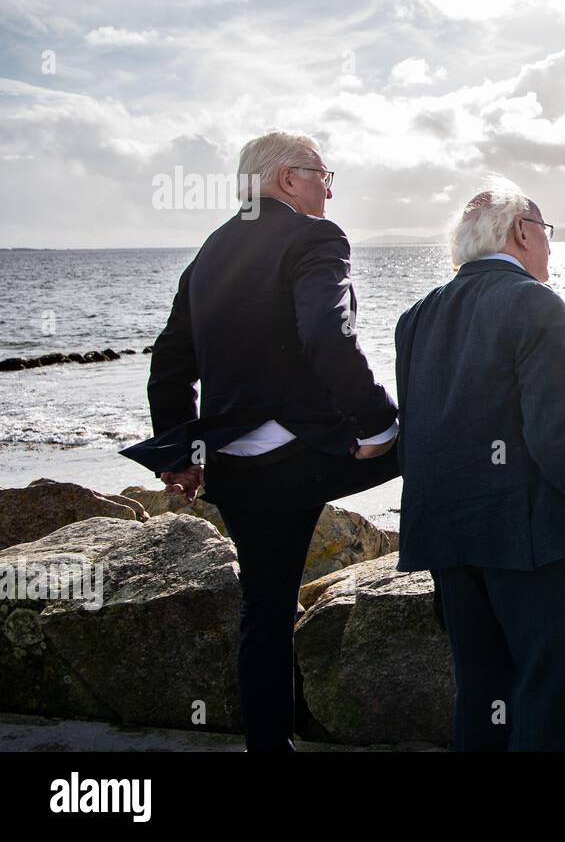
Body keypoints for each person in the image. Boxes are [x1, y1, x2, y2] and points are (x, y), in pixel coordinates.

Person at [121, 131, 400, 752]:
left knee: (265, 612)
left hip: (232, 465)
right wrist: (377, 425)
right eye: (324, 173)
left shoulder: (212, 250)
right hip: (298, 457)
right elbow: (327, 336)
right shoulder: (316, 236)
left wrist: (179, 458)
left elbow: (169, 361)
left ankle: (268, 750)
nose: (330, 186)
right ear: (286, 180)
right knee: (428, 438)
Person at [394, 186, 565, 752]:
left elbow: (419, 435)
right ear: (522, 231)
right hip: (534, 542)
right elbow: (555, 440)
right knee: (543, 694)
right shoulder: (536, 303)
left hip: (449, 539)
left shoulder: (415, 317)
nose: (549, 245)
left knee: (479, 693)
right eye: (546, 232)